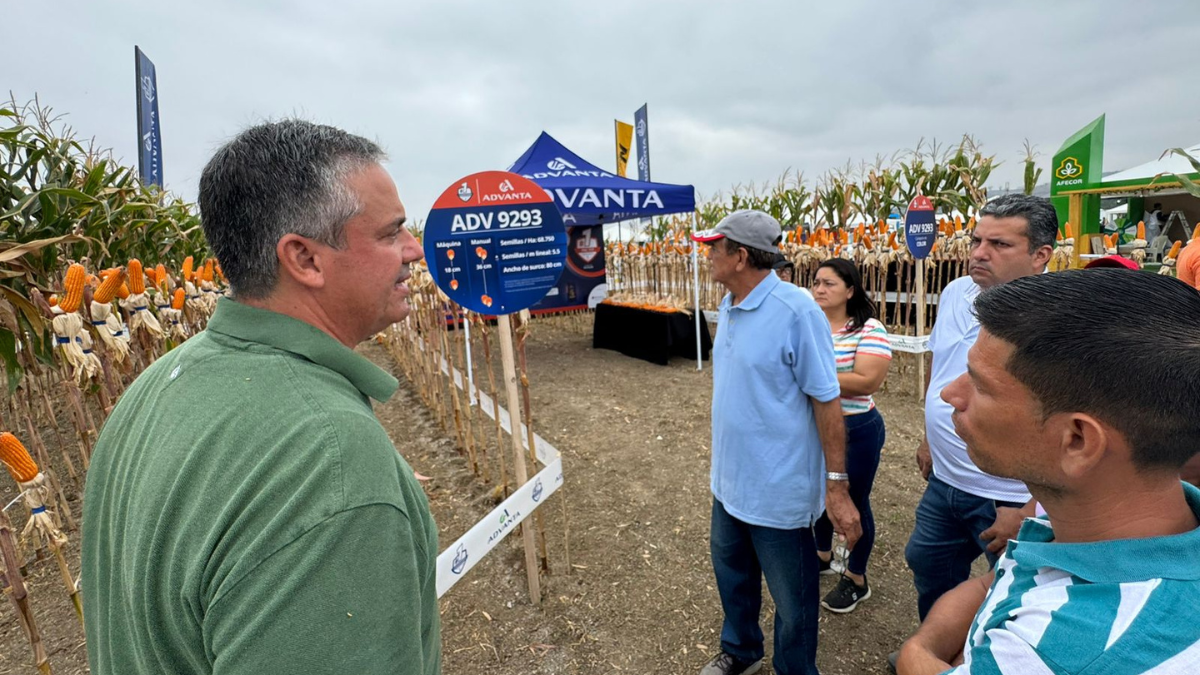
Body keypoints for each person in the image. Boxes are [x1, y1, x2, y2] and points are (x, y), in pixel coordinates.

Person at [81, 120, 439, 675]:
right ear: (305, 259)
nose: (414, 251)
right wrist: (345, 495)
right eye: (392, 233)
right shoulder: (328, 459)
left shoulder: (154, 385)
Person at [897, 269, 1200, 674]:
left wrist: (914, 654)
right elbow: (1001, 580)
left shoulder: (1048, 653)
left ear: (1077, 440)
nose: (950, 393)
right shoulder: (1142, 523)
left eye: (980, 385)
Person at [694, 210, 861, 675]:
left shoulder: (796, 311)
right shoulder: (729, 304)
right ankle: (742, 650)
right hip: (729, 483)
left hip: (778, 489)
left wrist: (836, 484)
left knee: (794, 600)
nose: (707, 255)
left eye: (715, 247)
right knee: (733, 577)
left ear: (741, 255)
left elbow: (826, 402)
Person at [904, 193, 1058, 623]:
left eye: (999, 245)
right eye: (976, 241)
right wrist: (928, 437)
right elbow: (941, 363)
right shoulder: (955, 292)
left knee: (1009, 592)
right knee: (928, 565)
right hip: (945, 479)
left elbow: (1068, 417)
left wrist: (1029, 505)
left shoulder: (1057, 320)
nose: (979, 253)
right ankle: (934, 644)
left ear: (1040, 254)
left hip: (1006, 496)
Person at [810, 258, 891, 613]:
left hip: (856, 429)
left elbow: (866, 381)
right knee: (820, 495)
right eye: (816, 282)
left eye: (829, 283)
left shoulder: (868, 329)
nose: (819, 289)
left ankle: (857, 578)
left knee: (852, 501)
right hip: (814, 428)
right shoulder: (809, 324)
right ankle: (824, 555)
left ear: (850, 290)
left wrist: (810, 373)